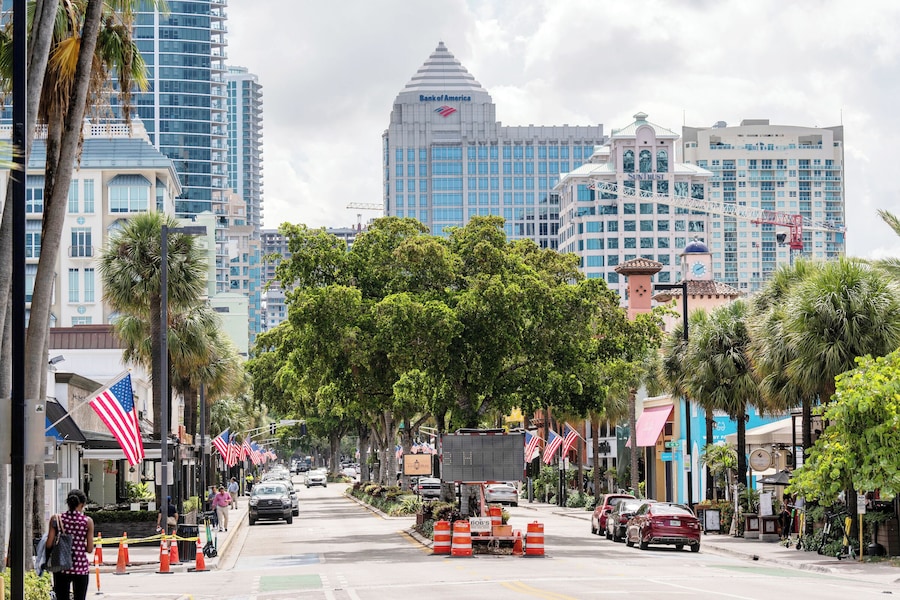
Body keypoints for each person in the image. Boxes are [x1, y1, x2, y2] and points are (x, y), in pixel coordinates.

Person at [46, 489, 94, 600]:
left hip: (61, 567)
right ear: (82, 504)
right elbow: (90, 549)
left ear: (68, 503)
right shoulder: (87, 521)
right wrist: (78, 546)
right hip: (80, 567)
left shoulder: (56, 519)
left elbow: (49, 544)